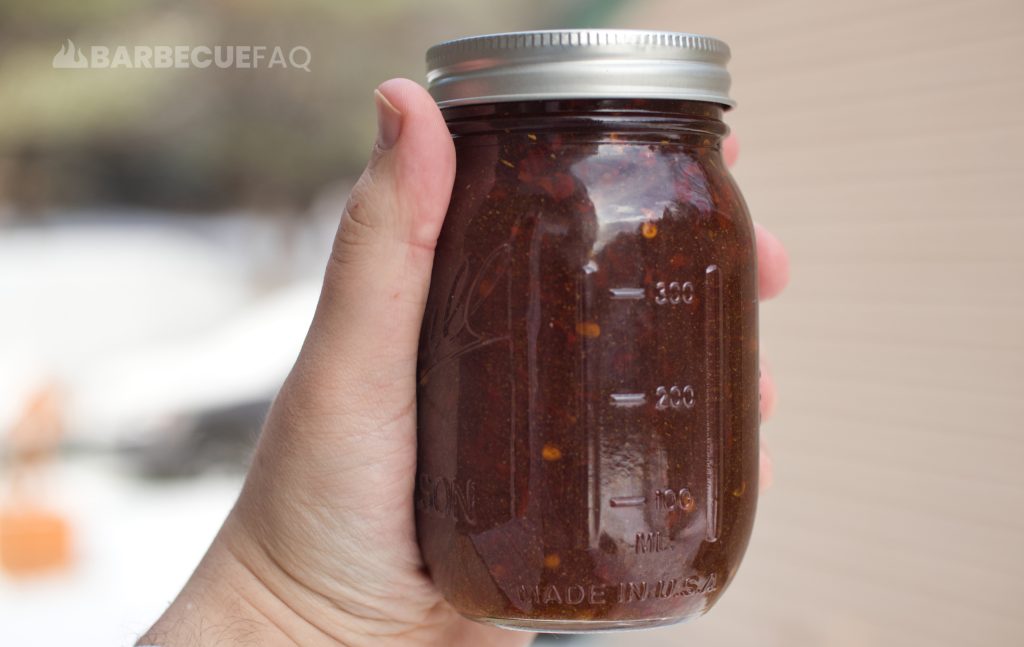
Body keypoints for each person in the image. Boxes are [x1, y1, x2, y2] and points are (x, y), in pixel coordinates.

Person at [138, 79, 789, 647]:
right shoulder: (525, 193)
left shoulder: (689, 196)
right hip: (438, 579)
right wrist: (298, 608)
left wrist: (291, 618)